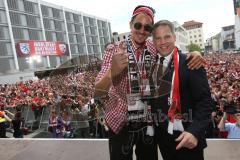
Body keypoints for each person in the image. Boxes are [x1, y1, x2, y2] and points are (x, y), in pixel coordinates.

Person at [95, 6, 205, 160]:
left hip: (147, 123)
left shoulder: (154, 47)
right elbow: (98, 91)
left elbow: (175, 52)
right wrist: (112, 71)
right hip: (120, 122)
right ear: (130, 25)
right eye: (138, 25)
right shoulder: (113, 50)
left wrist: (196, 54)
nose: (142, 31)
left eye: (147, 27)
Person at [150, 20, 213, 160]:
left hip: (188, 139)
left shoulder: (191, 62)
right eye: (158, 38)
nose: (163, 42)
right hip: (164, 142)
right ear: (153, 42)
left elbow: (205, 102)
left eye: (167, 36)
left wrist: (195, 132)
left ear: (174, 37)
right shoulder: (151, 67)